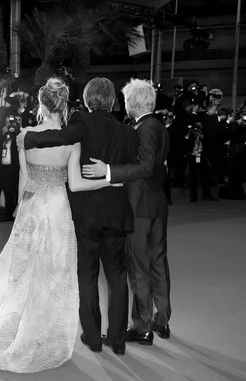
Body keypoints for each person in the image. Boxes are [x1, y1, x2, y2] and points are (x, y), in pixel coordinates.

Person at [0, 78, 117, 374]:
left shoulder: (25, 135)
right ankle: (43, 335)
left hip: (32, 206)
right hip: (58, 209)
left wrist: (21, 209)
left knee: (23, 272)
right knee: (55, 273)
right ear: (64, 104)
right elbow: (76, 183)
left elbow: (23, 177)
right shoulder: (72, 140)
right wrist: (111, 179)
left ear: (41, 105)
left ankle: (18, 328)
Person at [24, 77, 138, 356]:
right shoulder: (128, 131)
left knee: (87, 276)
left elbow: (61, 137)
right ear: (113, 101)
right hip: (117, 213)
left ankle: (93, 337)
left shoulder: (82, 122)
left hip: (85, 214)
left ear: (87, 100)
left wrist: (30, 138)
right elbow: (133, 166)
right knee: (117, 277)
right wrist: (112, 172)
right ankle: (118, 340)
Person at [83, 78, 171, 345]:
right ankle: (162, 320)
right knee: (159, 263)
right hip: (157, 204)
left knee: (139, 267)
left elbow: (144, 167)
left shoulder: (144, 128)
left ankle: (143, 326)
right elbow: (159, 167)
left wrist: (109, 171)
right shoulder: (160, 126)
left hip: (140, 207)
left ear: (132, 102)